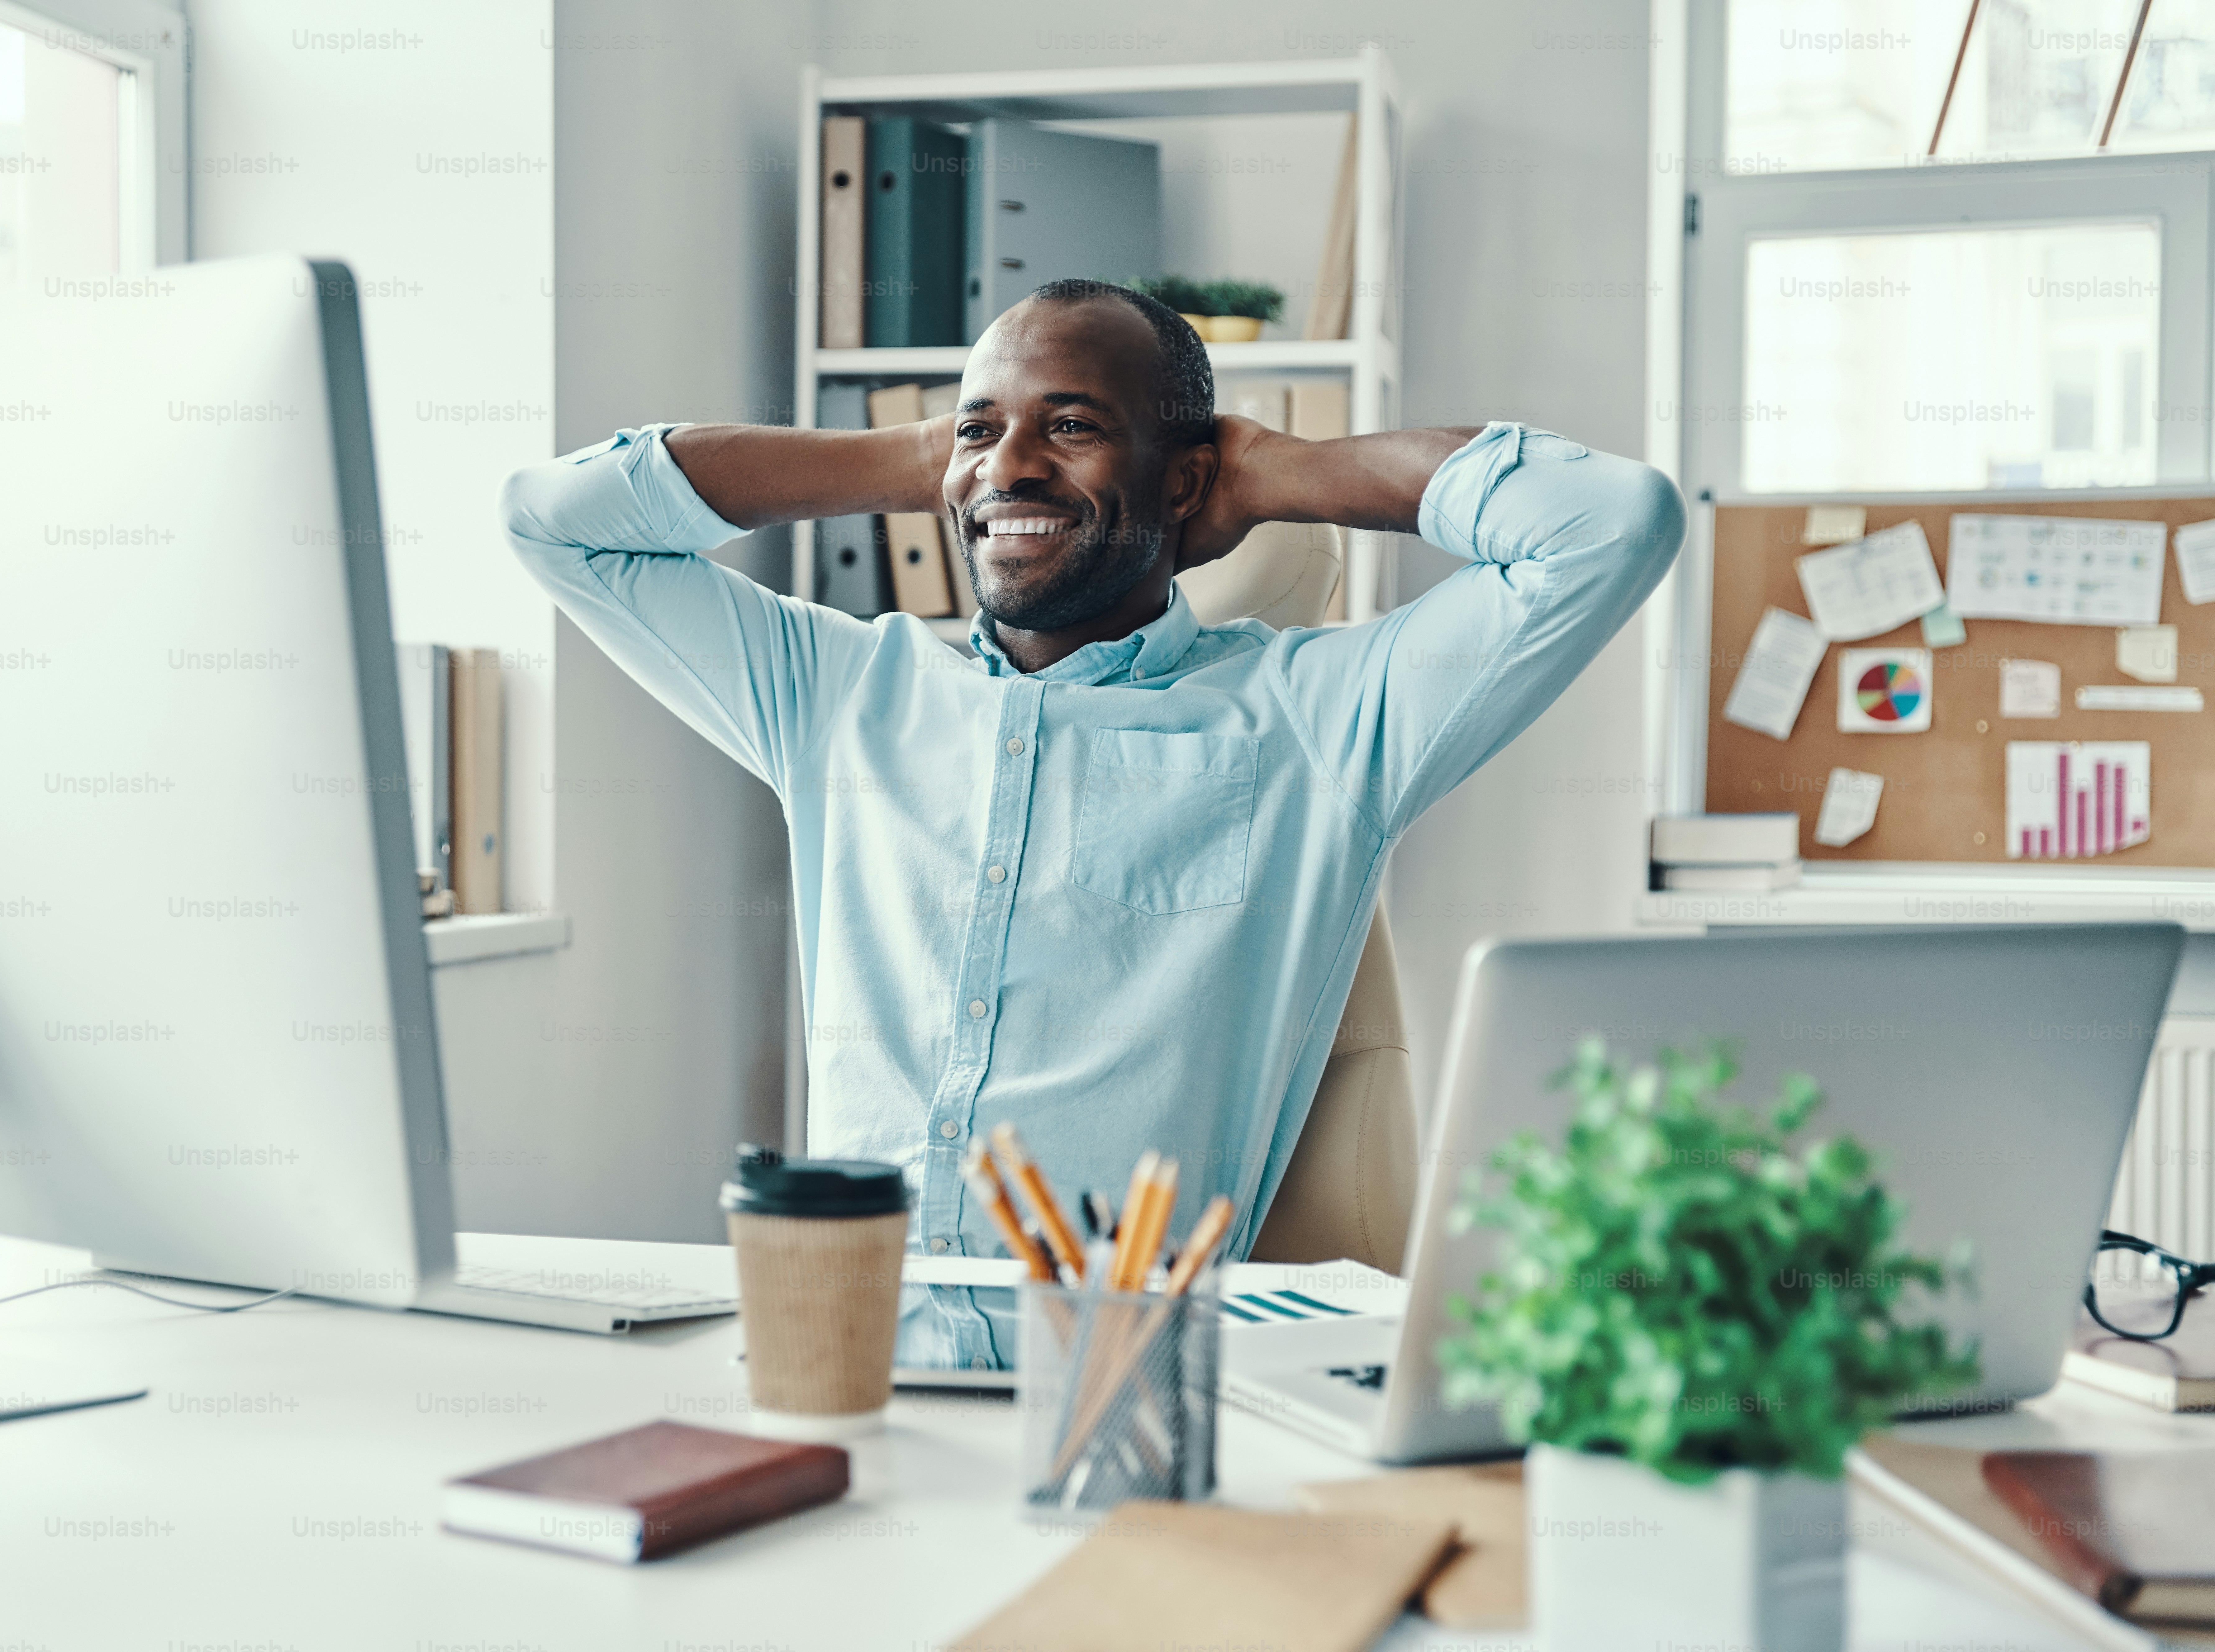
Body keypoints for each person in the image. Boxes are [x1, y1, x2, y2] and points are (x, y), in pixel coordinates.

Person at [503, 278, 1684, 1367]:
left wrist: (1274, 470)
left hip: (1120, 1402)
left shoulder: (1318, 719)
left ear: (1182, 479)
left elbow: (1611, 522)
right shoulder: (839, 694)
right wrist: (935, 456)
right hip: (848, 1360)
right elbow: (553, 519)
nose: (1011, 464)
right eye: (981, 426)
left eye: (1070, 426)